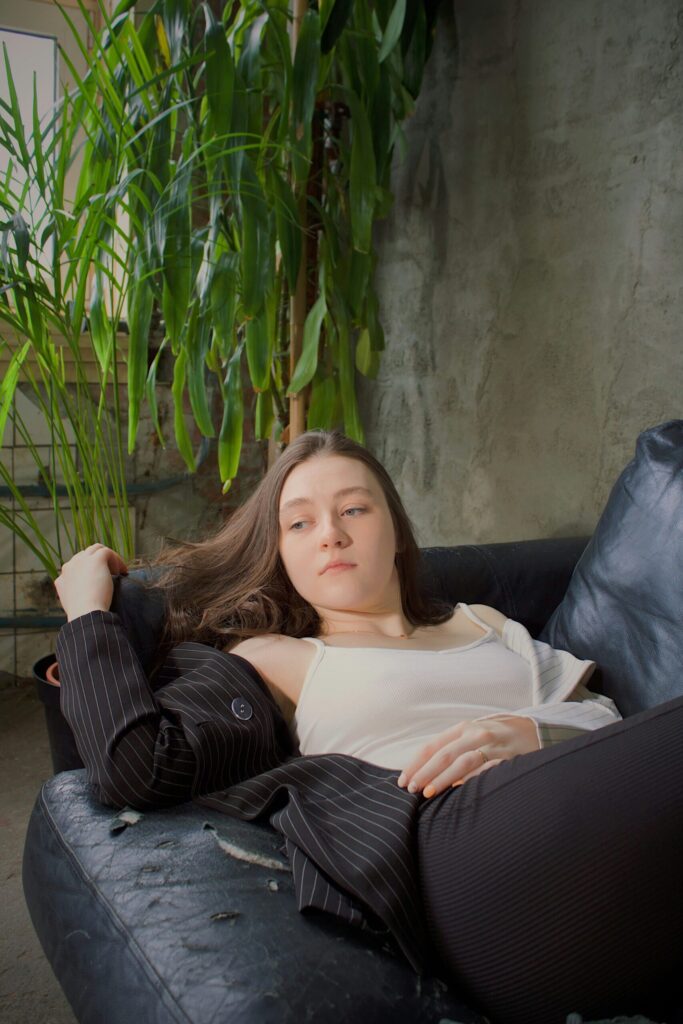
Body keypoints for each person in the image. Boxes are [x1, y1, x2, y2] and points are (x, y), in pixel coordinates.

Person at [54, 430, 683, 1024]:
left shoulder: (484, 622)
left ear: (398, 533)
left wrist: (527, 732)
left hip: (582, 835)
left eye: (353, 510)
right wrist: (88, 613)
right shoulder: (279, 658)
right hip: (454, 852)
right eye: (299, 522)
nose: (329, 534)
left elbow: (606, 718)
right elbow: (138, 764)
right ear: (281, 553)